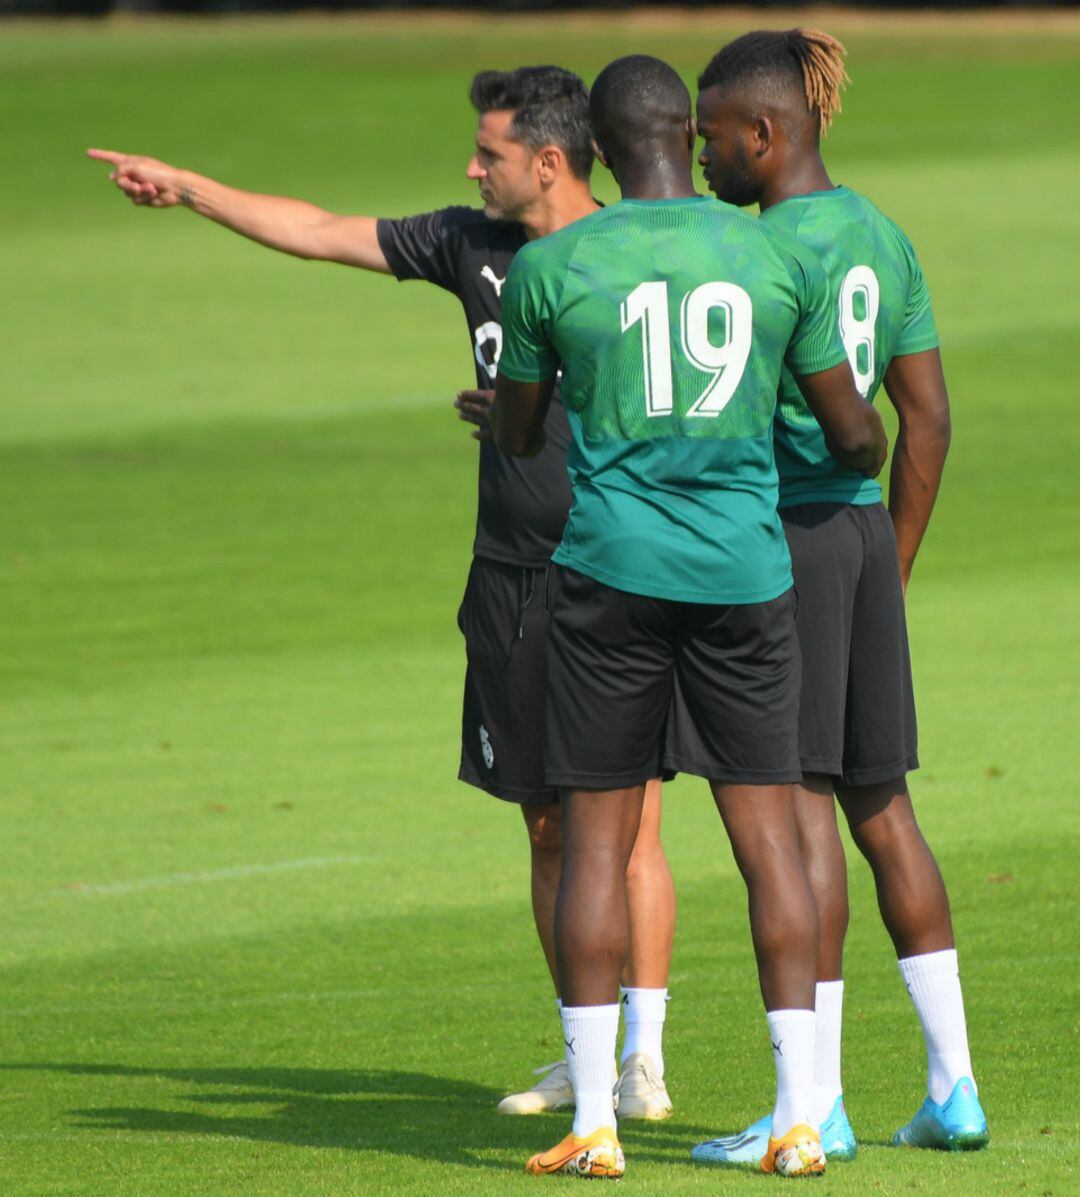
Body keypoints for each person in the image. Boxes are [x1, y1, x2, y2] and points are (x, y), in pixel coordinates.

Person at [86, 65, 676, 1120]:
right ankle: (586, 1048)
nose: (470, 166)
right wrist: (188, 186)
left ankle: (645, 1064)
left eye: (487, 150)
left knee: (631, 832)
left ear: (549, 159)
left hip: (621, 567)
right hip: (508, 576)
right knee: (547, 827)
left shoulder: (637, 251)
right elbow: (318, 229)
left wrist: (537, 407)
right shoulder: (468, 242)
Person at [493, 53, 886, 1180]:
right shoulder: (770, 253)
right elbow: (853, 434)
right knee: (772, 843)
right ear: (685, 131)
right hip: (744, 578)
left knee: (597, 845)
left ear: (605, 151)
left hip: (609, 577)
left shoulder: (554, 264)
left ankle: (599, 1123)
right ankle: (800, 1114)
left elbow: (522, 435)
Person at [690, 28, 988, 1169]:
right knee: (884, 806)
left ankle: (810, 1108)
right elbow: (933, 418)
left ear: (764, 136)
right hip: (862, 539)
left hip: (790, 540)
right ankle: (952, 1087)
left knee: (797, 810)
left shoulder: (760, 254)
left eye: (714, 138)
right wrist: (891, 567)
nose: (703, 157)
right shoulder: (880, 229)